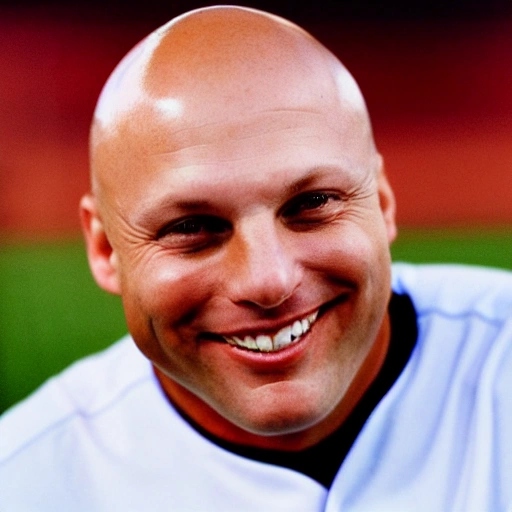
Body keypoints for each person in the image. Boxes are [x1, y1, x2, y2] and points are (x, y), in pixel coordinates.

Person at [1, 5, 511, 511]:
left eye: (312, 204)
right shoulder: (25, 481)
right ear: (105, 248)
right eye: (191, 228)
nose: (268, 281)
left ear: (380, 202)